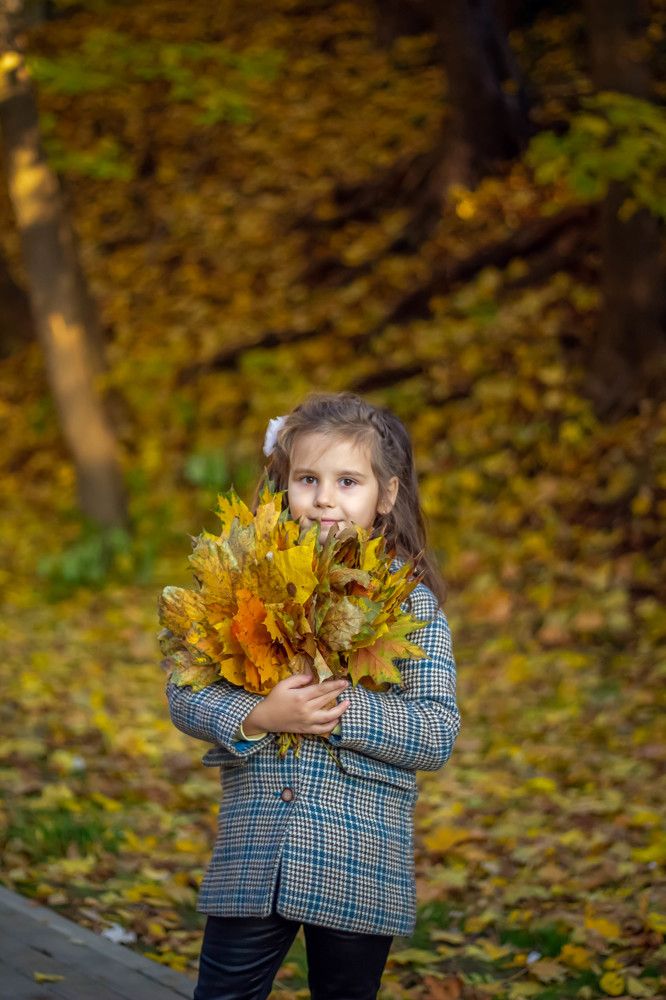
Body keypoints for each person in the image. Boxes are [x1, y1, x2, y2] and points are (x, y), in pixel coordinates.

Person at [164, 391, 461, 1000]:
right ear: (284, 487)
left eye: (347, 480)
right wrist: (256, 713)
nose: (325, 498)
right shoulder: (246, 585)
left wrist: (338, 711)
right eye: (308, 479)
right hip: (255, 853)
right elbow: (184, 692)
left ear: (387, 495)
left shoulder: (412, 607)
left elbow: (435, 732)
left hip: (358, 857)